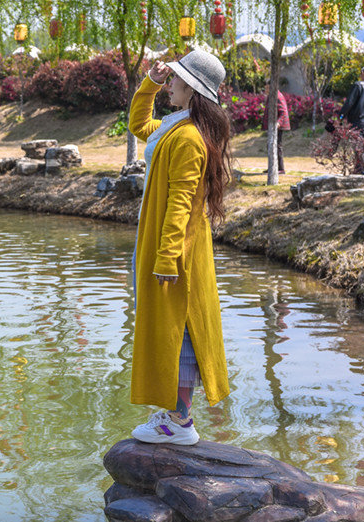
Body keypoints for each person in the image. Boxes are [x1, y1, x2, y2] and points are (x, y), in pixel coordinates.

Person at [126, 49, 234, 446]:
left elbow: (181, 202)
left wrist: (168, 257)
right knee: (173, 324)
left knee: (180, 327)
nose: (170, 82)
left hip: (178, 249)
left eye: (174, 78)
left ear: (192, 87)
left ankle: (180, 421)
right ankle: (176, 413)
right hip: (166, 242)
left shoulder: (189, 137)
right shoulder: (178, 125)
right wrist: (150, 83)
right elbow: (139, 123)